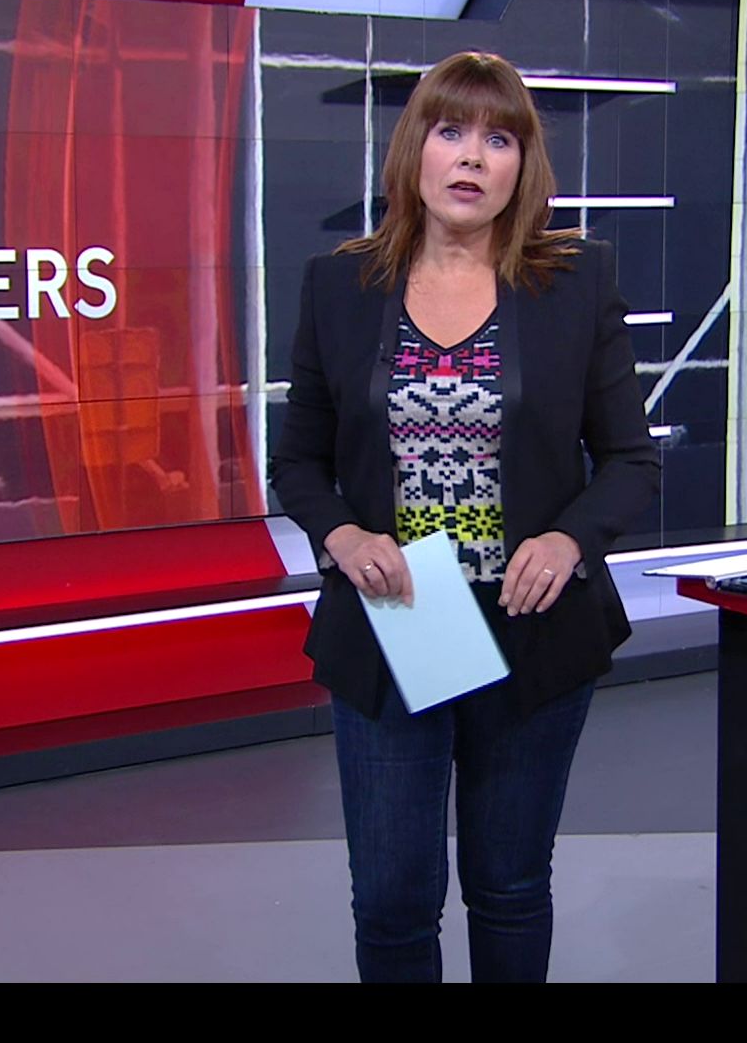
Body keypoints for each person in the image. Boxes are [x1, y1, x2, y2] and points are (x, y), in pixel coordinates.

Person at [268, 51, 661, 983]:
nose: (473, 157)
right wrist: (343, 535)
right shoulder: (340, 286)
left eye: (500, 139)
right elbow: (298, 462)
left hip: (532, 624)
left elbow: (631, 460)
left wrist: (569, 539)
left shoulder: (575, 282)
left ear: (524, 165)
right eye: (451, 131)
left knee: (510, 884)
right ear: (416, 149)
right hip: (402, 615)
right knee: (393, 899)